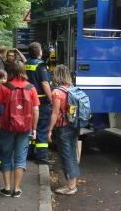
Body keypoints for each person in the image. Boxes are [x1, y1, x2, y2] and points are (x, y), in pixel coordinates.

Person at [0, 61, 39, 198]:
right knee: (20, 158)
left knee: (6, 156)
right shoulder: (31, 88)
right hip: (25, 128)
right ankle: (17, 189)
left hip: (7, 126)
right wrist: (34, 128)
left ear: (9, 71)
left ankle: (6, 188)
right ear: (24, 71)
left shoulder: (5, 87)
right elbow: (35, 110)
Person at [48, 65, 79, 195]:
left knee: (66, 156)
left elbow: (55, 113)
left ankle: (71, 187)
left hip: (63, 127)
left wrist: (49, 130)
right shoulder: (73, 89)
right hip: (74, 125)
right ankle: (73, 183)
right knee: (72, 154)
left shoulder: (56, 92)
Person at [25, 42, 52, 164]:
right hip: (41, 101)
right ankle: (41, 157)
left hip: (27, 100)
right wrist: (51, 98)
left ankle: (29, 153)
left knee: (31, 127)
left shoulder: (26, 64)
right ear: (40, 52)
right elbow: (45, 83)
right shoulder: (41, 65)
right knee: (42, 129)